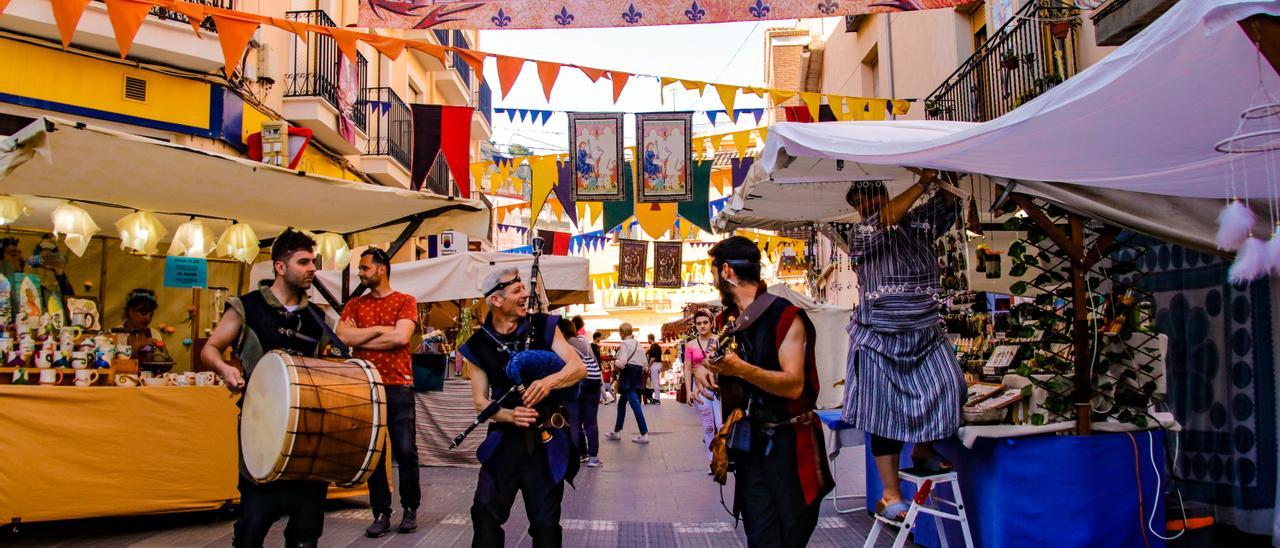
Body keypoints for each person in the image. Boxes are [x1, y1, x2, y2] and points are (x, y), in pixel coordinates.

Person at [692, 236, 833, 548]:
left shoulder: (786, 315)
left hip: (791, 449)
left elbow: (793, 383)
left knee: (787, 539)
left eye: (713, 271)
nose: (712, 279)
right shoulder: (730, 321)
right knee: (760, 539)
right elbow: (717, 361)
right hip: (751, 446)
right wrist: (703, 369)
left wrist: (739, 370)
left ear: (726, 270)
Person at [840, 172, 965, 521]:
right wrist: (923, 182)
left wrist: (947, 172)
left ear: (884, 194)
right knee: (883, 415)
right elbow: (886, 219)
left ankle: (923, 450)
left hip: (925, 331)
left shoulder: (920, 223)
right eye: (862, 203)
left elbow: (949, 204)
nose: (869, 206)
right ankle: (890, 493)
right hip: (878, 337)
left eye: (874, 198)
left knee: (950, 385)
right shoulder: (861, 234)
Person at [201, 230, 331, 548]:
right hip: (259, 426)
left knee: (306, 531)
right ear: (280, 267)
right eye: (303, 262)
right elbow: (210, 349)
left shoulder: (318, 318)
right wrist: (225, 368)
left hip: (307, 433)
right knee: (252, 527)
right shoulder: (246, 307)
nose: (312, 268)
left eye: (313, 261)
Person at [459, 267, 586, 548]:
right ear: (496, 300)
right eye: (517, 291)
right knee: (484, 512)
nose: (525, 294)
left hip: (547, 437)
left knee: (545, 525)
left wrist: (549, 383)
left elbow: (578, 368)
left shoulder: (544, 326)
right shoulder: (478, 345)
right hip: (504, 439)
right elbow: (480, 400)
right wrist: (508, 414)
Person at [335, 248, 420, 538]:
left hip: (398, 384)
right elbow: (343, 337)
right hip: (366, 385)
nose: (360, 272)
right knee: (374, 452)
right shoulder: (354, 304)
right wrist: (383, 330)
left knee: (405, 450)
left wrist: (365, 335)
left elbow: (402, 337)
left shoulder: (405, 301)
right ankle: (381, 512)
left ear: (381, 269)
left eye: (365, 267)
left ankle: (410, 508)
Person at [559, 317, 603, 468]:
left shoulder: (561, 346)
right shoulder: (584, 341)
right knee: (591, 422)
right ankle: (593, 457)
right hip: (592, 383)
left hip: (575, 384)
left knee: (574, 422)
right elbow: (595, 362)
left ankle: (574, 457)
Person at [683, 309, 721, 465]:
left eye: (705, 322)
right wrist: (688, 391)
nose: (702, 326)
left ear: (711, 323)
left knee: (721, 424)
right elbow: (687, 368)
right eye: (699, 323)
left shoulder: (719, 341)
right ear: (695, 326)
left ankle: (724, 457)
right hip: (699, 388)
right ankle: (712, 461)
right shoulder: (690, 345)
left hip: (718, 385)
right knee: (708, 426)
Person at [604, 323, 649, 444]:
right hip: (637, 373)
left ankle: (644, 433)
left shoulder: (624, 344)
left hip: (628, 374)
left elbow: (622, 362)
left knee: (634, 403)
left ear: (622, 332)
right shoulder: (638, 343)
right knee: (622, 402)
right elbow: (645, 363)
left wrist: (615, 361)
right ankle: (617, 431)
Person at [114, 288, 173, 365]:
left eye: (151, 315)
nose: (147, 318)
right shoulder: (115, 334)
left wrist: (164, 354)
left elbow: (164, 364)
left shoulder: (154, 334)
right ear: (130, 311)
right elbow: (112, 364)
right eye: (143, 314)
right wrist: (139, 345)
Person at [594, 332, 617, 404]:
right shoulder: (592, 346)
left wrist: (611, 358)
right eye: (600, 337)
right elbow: (600, 357)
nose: (600, 339)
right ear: (597, 337)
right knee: (601, 385)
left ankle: (602, 399)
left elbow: (601, 357)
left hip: (597, 368)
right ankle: (603, 399)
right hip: (595, 368)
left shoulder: (597, 347)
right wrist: (612, 358)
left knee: (601, 385)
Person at [645, 334, 663, 405]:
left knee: (655, 383)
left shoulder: (653, 346)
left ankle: (657, 399)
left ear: (649, 338)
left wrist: (648, 367)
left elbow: (653, 358)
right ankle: (656, 398)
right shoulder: (658, 346)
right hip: (659, 364)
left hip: (655, 365)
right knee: (656, 382)